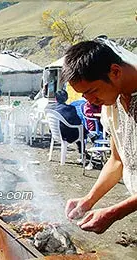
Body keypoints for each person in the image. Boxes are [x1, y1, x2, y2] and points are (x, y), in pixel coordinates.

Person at [61, 39, 137, 234]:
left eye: (92, 91)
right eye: (84, 96)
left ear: (115, 72)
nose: (91, 101)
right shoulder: (111, 102)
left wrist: (115, 212)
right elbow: (117, 160)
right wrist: (88, 200)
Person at [46, 90, 87, 156]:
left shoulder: (49, 108)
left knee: (79, 128)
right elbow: (77, 122)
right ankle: (82, 152)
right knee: (80, 129)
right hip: (66, 135)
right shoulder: (70, 108)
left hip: (54, 133)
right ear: (67, 98)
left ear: (55, 99)